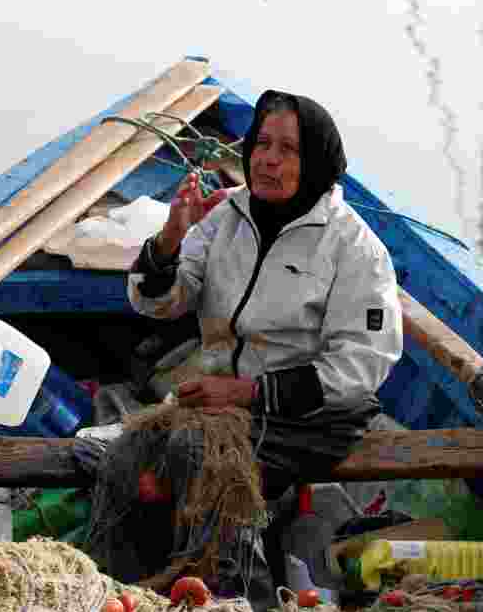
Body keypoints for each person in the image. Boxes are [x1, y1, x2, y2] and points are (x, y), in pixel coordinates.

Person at [127, 89, 404, 603]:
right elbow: (159, 304)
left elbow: (361, 367)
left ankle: (239, 594)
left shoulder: (355, 248)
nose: (267, 159)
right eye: (261, 144)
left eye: (287, 149)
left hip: (314, 418)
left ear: (315, 163)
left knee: (196, 454)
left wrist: (249, 393)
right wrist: (168, 242)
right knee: (129, 461)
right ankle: (147, 582)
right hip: (223, 401)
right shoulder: (227, 218)